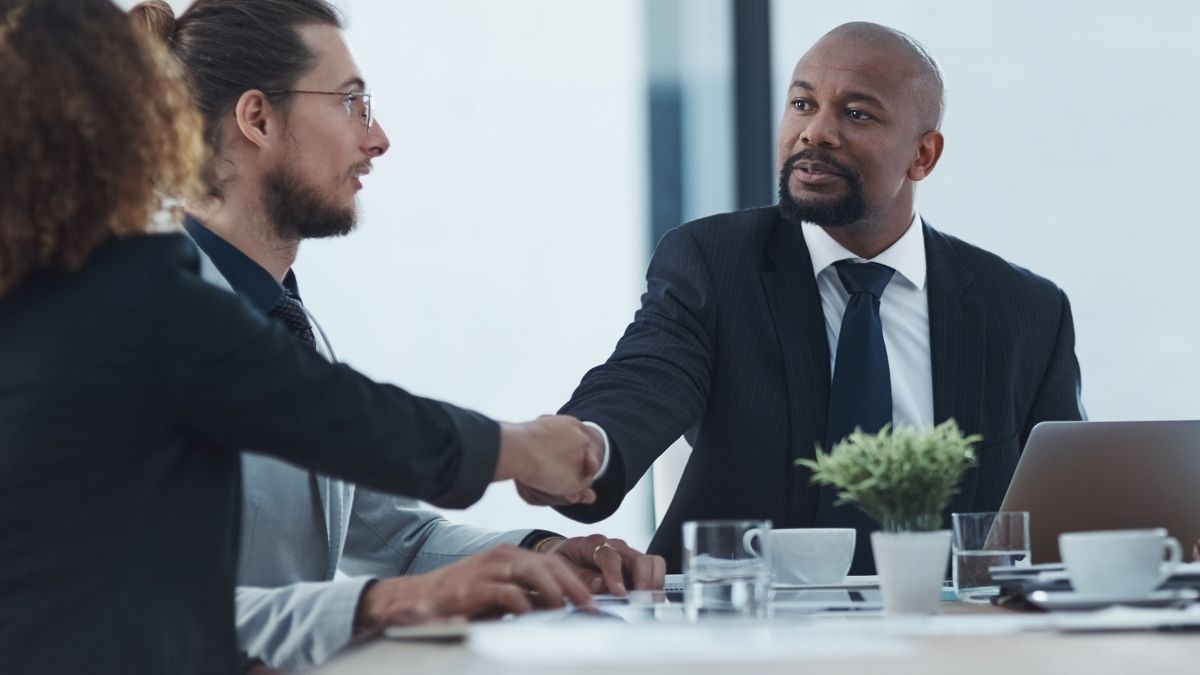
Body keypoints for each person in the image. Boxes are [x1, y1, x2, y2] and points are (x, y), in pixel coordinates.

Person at [0, 1, 601, 672]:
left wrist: (538, 552)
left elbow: (385, 525)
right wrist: (518, 452)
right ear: (256, 118)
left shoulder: (282, 316)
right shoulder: (145, 304)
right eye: (351, 103)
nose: (378, 139)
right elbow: (135, 600)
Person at [548, 22, 1085, 574]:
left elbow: (1074, 502)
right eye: (803, 103)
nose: (816, 132)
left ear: (922, 155)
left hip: (951, 638)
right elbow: (645, 378)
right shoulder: (716, 261)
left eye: (856, 114)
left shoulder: (1024, 308)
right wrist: (579, 446)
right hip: (750, 633)